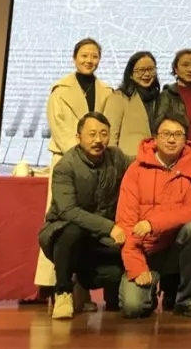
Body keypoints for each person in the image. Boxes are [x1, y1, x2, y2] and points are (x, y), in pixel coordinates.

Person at [35, 38, 113, 297]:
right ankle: (51, 284)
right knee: (62, 219)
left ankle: (83, 288)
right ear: (74, 58)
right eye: (84, 55)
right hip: (67, 159)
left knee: (92, 218)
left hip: (98, 162)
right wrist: (82, 151)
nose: (89, 60)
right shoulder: (60, 90)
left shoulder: (106, 91)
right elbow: (59, 127)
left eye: (94, 56)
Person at [115, 112, 191, 318]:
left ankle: (187, 300)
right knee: (133, 307)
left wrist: (153, 223)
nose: (171, 139)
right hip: (145, 250)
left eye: (178, 134)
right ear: (155, 137)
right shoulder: (135, 170)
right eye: (166, 134)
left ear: (186, 139)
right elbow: (126, 222)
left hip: (177, 248)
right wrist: (137, 267)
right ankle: (151, 291)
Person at [38, 113, 129, 319]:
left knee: (117, 269)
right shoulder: (65, 166)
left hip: (99, 238)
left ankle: (85, 281)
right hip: (63, 234)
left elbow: (141, 163)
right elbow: (68, 211)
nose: (98, 140)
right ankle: (63, 292)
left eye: (104, 134)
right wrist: (109, 227)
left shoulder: (116, 157)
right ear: (78, 137)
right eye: (92, 134)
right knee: (72, 231)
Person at [106, 51, 161, 160]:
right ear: (130, 74)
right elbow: (111, 134)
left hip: (156, 160)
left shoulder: (160, 98)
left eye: (151, 69)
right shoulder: (119, 97)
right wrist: (113, 162)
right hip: (128, 161)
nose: (147, 74)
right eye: (141, 70)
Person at [155, 49, 191, 150]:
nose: (190, 69)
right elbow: (158, 127)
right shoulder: (167, 95)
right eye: (185, 65)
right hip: (178, 152)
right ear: (176, 69)